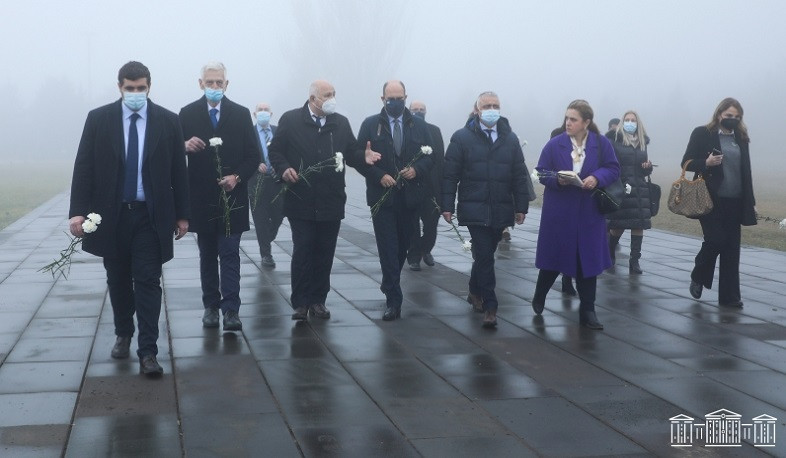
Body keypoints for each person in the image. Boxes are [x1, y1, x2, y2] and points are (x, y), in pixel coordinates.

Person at [69, 61, 190, 376]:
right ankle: (124, 331)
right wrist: (77, 212)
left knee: (149, 281)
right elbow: (84, 166)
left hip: (150, 217)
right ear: (120, 87)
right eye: (129, 88)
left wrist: (182, 216)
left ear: (150, 86)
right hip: (112, 216)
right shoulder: (99, 120)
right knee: (118, 279)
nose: (135, 93)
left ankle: (148, 352)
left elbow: (180, 171)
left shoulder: (168, 122)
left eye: (141, 88)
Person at [268, 80, 363, 321]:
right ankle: (300, 302)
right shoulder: (291, 120)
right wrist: (284, 168)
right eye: (326, 95)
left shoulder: (340, 123)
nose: (331, 98)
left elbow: (351, 153)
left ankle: (318, 300)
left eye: (333, 93)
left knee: (324, 252)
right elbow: (275, 151)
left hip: (331, 200)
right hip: (301, 200)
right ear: (313, 99)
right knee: (303, 250)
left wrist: (365, 156)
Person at [179, 62, 259, 332]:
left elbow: (253, 156)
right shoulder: (187, 114)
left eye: (219, 82)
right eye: (210, 82)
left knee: (230, 252)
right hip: (201, 198)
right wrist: (184, 146)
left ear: (227, 84)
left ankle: (231, 309)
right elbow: (171, 154)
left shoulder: (240, 114)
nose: (215, 87)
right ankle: (211, 306)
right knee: (207, 254)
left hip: (232, 198)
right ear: (200, 83)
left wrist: (236, 177)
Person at [442, 91, 530, 328]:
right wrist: (447, 205)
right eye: (487, 105)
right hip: (474, 207)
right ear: (477, 110)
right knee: (484, 255)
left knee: (485, 256)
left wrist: (521, 206)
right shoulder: (461, 138)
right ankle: (490, 306)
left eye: (496, 105)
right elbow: (450, 175)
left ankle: (473, 290)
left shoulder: (509, 139)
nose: (492, 109)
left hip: (501, 208)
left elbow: (519, 175)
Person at [532, 100, 620, 330]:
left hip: (589, 214)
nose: (568, 123)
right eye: (567, 118)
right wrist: (558, 179)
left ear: (586, 122)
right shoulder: (555, 144)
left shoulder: (601, 144)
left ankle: (588, 311)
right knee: (553, 260)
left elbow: (613, 168)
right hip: (559, 212)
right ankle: (540, 295)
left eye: (573, 119)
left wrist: (597, 177)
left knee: (587, 263)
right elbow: (541, 172)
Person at [356, 81, 434, 321]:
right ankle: (393, 298)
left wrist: (417, 170)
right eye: (391, 99)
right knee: (387, 248)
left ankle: (389, 280)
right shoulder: (371, 125)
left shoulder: (420, 126)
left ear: (405, 97)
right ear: (382, 99)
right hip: (383, 199)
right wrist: (379, 176)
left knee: (402, 246)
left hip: (409, 198)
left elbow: (430, 156)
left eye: (399, 98)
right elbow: (359, 158)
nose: (395, 102)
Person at [682, 98, 756, 307]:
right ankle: (699, 275)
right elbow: (686, 162)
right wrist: (705, 163)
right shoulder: (702, 133)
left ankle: (730, 297)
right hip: (710, 198)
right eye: (728, 115)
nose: (732, 119)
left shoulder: (741, 138)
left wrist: (750, 201)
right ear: (719, 114)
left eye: (736, 117)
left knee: (732, 249)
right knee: (716, 240)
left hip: (736, 200)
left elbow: (746, 172)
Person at [606, 110, 653, 274]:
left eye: (633, 120)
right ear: (622, 122)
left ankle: (635, 261)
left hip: (640, 189)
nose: (630, 123)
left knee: (638, 225)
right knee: (617, 226)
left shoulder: (642, 143)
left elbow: (643, 168)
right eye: (627, 120)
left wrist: (648, 168)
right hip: (622, 188)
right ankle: (609, 252)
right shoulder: (615, 141)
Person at [406, 100, 444, 271]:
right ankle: (413, 256)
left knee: (431, 225)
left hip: (431, 187)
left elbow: (440, 160)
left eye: (422, 109)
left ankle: (425, 249)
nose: (418, 112)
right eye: (415, 109)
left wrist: (442, 189)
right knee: (412, 225)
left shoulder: (435, 130)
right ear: (409, 111)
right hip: (411, 186)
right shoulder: (405, 130)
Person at [247, 102, 282, 268]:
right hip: (257, 182)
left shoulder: (278, 132)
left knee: (278, 215)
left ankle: (267, 237)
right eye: (259, 110)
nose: (263, 112)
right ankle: (266, 255)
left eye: (265, 110)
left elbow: (286, 152)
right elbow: (243, 154)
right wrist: (255, 165)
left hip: (277, 182)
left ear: (271, 113)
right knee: (260, 219)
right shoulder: (249, 133)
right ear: (254, 114)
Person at [549, 120, 577, 296]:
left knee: (575, 242)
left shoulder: (594, 141)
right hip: (560, 196)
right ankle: (547, 283)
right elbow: (547, 168)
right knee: (561, 241)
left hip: (582, 198)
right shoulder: (557, 136)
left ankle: (568, 277)